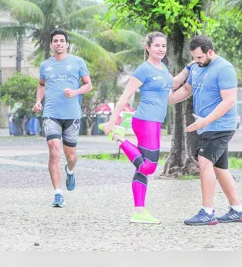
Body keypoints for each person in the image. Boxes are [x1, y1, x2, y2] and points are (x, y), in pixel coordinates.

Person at [99, 32, 192, 224]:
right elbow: (125, 96)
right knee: (149, 167)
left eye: (163, 46)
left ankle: (139, 211)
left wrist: (189, 68)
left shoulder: (162, 67)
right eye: (157, 45)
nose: (161, 49)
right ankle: (119, 138)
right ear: (148, 47)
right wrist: (112, 121)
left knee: (141, 169)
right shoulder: (144, 69)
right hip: (145, 121)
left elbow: (173, 83)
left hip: (155, 122)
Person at [169, 35, 242, 225]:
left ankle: (207, 212)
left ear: (210, 52)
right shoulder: (196, 67)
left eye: (199, 57)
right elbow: (187, 90)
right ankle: (237, 210)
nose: (195, 61)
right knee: (220, 168)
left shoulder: (224, 68)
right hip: (206, 126)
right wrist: (163, 100)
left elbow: (229, 101)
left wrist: (205, 121)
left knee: (204, 161)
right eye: (194, 58)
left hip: (220, 126)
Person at [32, 28, 92, 207]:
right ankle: (58, 194)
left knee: (71, 156)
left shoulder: (77, 62)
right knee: (53, 152)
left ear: (66, 44)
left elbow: (88, 85)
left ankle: (70, 170)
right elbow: (41, 85)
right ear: (51, 44)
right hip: (51, 114)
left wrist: (75, 92)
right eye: (55, 41)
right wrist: (38, 101)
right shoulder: (45, 65)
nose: (58, 43)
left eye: (61, 40)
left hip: (72, 115)